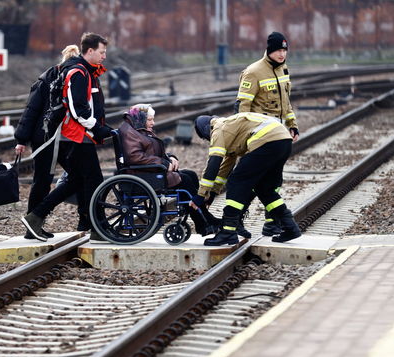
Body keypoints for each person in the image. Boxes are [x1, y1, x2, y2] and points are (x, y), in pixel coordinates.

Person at [21, 32, 113, 242]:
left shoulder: (86, 71)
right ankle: (96, 226)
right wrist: (96, 128)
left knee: (78, 180)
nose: (104, 56)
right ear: (89, 51)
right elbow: (77, 108)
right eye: (102, 52)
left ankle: (37, 216)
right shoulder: (78, 73)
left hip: (79, 135)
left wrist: (99, 126)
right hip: (77, 136)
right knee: (93, 180)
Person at [192, 113, 301, 246]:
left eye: (205, 138)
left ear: (205, 130)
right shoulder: (230, 128)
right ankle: (290, 226)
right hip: (283, 141)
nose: (208, 140)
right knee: (264, 188)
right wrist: (212, 194)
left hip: (267, 141)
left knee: (236, 182)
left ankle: (228, 231)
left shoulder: (218, 129)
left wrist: (200, 195)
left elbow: (213, 164)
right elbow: (223, 170)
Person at [233, 31, 299, 237]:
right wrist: (243, 135)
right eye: (278, 50)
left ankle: (272, 223)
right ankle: (238, 219)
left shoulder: (283, 70)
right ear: (269, 50)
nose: (282, 54)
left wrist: (292, 124)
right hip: (259, 135)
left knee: (274, 181)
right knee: (254, 179)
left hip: (279, 135)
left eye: (284, 50)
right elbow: (242, 106)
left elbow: (285, 102)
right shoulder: (253, 72)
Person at [119, 104, 219, 235]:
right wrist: (163, 163)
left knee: (191, 175)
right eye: (150, 120)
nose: (153, 123)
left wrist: (170, 157)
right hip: (142, 175)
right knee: (186, 180)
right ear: (141, 118)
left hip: (151, 171)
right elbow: (134, 157)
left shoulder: (139, 128)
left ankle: (203, 219)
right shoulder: (130, 132)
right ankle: (203, 222)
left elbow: (153, 151)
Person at [14, 44, 80, 239]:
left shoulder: (54, 77)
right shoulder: (53, 78)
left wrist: (22, 138)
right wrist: (21, 139)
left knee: (46, 181)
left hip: (58, 138)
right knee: (42, 181)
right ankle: (33, 225)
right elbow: (32, 110)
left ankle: (35, 224)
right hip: (47, 138)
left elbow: (30, 109)